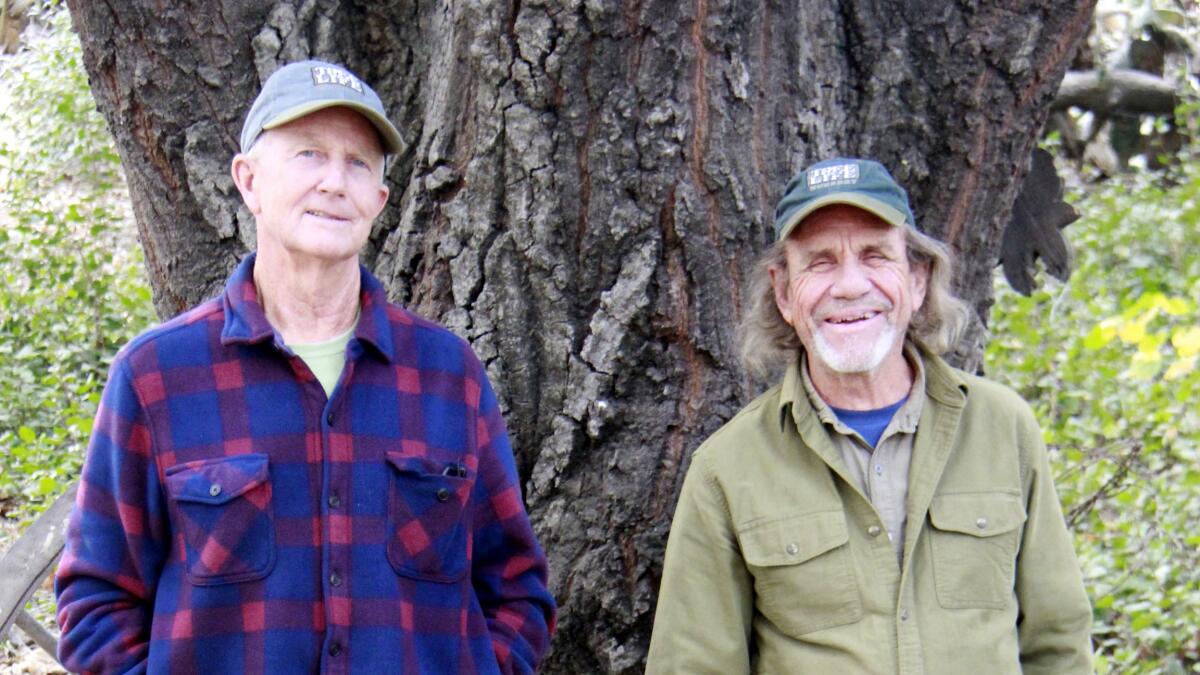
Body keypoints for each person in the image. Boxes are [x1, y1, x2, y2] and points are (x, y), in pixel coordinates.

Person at [55, 60, 555, 674]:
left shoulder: (448, 376)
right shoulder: (156, 375)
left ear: (379, 199)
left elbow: (516, 590)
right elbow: (95, 603)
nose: (334, 182)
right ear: (248, 180)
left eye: (358, 163)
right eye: (309, 154)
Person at [646, 157, 1092, 674]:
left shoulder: (1003, 428)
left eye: (875, 256)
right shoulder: (727, 469)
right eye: (820, 262)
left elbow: (1058, 645)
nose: (850, 286)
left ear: (918, 279)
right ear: (785, 291)